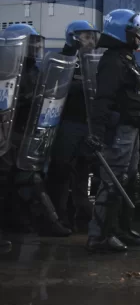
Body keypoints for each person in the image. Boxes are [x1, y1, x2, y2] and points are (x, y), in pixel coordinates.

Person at [86, 9, 140, 253]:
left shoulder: (126, 58)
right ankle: (99, 237)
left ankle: (121, 230)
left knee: (129, 179)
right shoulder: (112, 61)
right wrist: (97, 132)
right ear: (121, 33)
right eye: (134, 33)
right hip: (118, 131)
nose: (139, 37)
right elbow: (103, 99)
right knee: (112, 182)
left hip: (132, 128)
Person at [1, 24, 73, 237]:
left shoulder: (34, 68)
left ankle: (19, 221)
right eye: (30, 41)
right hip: (7, 132)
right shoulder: (6, 67)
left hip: (25, 130)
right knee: (11, 179)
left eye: (36, 42)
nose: (34, 46)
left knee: (26, 177)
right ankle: (44, 223)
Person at [46, 21, 98, 232]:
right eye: (86, 36)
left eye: (92, 36)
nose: (91, 41)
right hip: (67, 123)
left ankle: (83, 215)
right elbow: (53, 89)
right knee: (61, 171)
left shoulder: (91, 60)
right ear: (73, 37)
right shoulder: (61, 59)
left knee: (83, 170)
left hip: (86, 123)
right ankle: (58, 217)